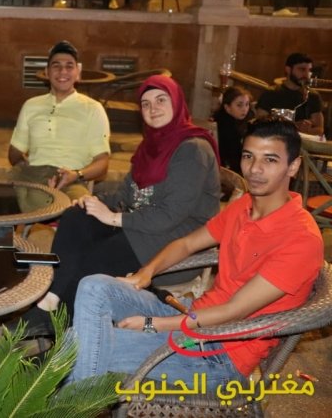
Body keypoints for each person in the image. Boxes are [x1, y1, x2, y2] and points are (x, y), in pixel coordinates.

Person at [69, 117, 323, 391]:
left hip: (219, 355)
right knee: (94, 286)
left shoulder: (301, 238)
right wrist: (146, 273)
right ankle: (82, 392)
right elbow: (187, 244)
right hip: (193, 316)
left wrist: (154, 325)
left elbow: (234, 311)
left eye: (270, 160)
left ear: (293, 166)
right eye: (248, 156)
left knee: (79, 346)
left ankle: (74, 398)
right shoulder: (245, 206)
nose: (254, 169)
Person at [21, 75, 220, 334]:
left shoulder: (193, 149)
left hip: (175, 245)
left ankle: (64, 328)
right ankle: (51, 299)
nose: (153, 108)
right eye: (146, 104)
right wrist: (92, 202)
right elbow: (126, 195)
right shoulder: (150, 147)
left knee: (95, 259)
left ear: (177, 103)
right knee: (76, 217)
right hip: (143, 228)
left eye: (161, 100)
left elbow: (169, 215)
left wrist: (114, 218)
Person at [8, 40, 111, 202]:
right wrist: (27, 169)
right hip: (32, 178)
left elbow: (102, 164)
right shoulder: (31, 105)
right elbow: (14, 152)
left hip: (71, 180)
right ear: (47, 72)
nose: (63, 71)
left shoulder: (92, 108)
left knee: (79, 210)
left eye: (69, 66)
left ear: (78, 73)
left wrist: (76, 174)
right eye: (56, 66)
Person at [255, 52, 324, 136]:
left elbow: (320, 129)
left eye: (309, 70)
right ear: (288, 69)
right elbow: (259, 125)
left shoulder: (313, 96)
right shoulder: (271, 93)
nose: (306, 75)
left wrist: (306, 130)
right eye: (302, 69)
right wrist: (293, 127)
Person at [212, 86, 253, 173]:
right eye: (239, 105)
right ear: (227, 107)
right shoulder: (225, 126)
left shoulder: (243, 122)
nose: (244, 109)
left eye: (247, 104)